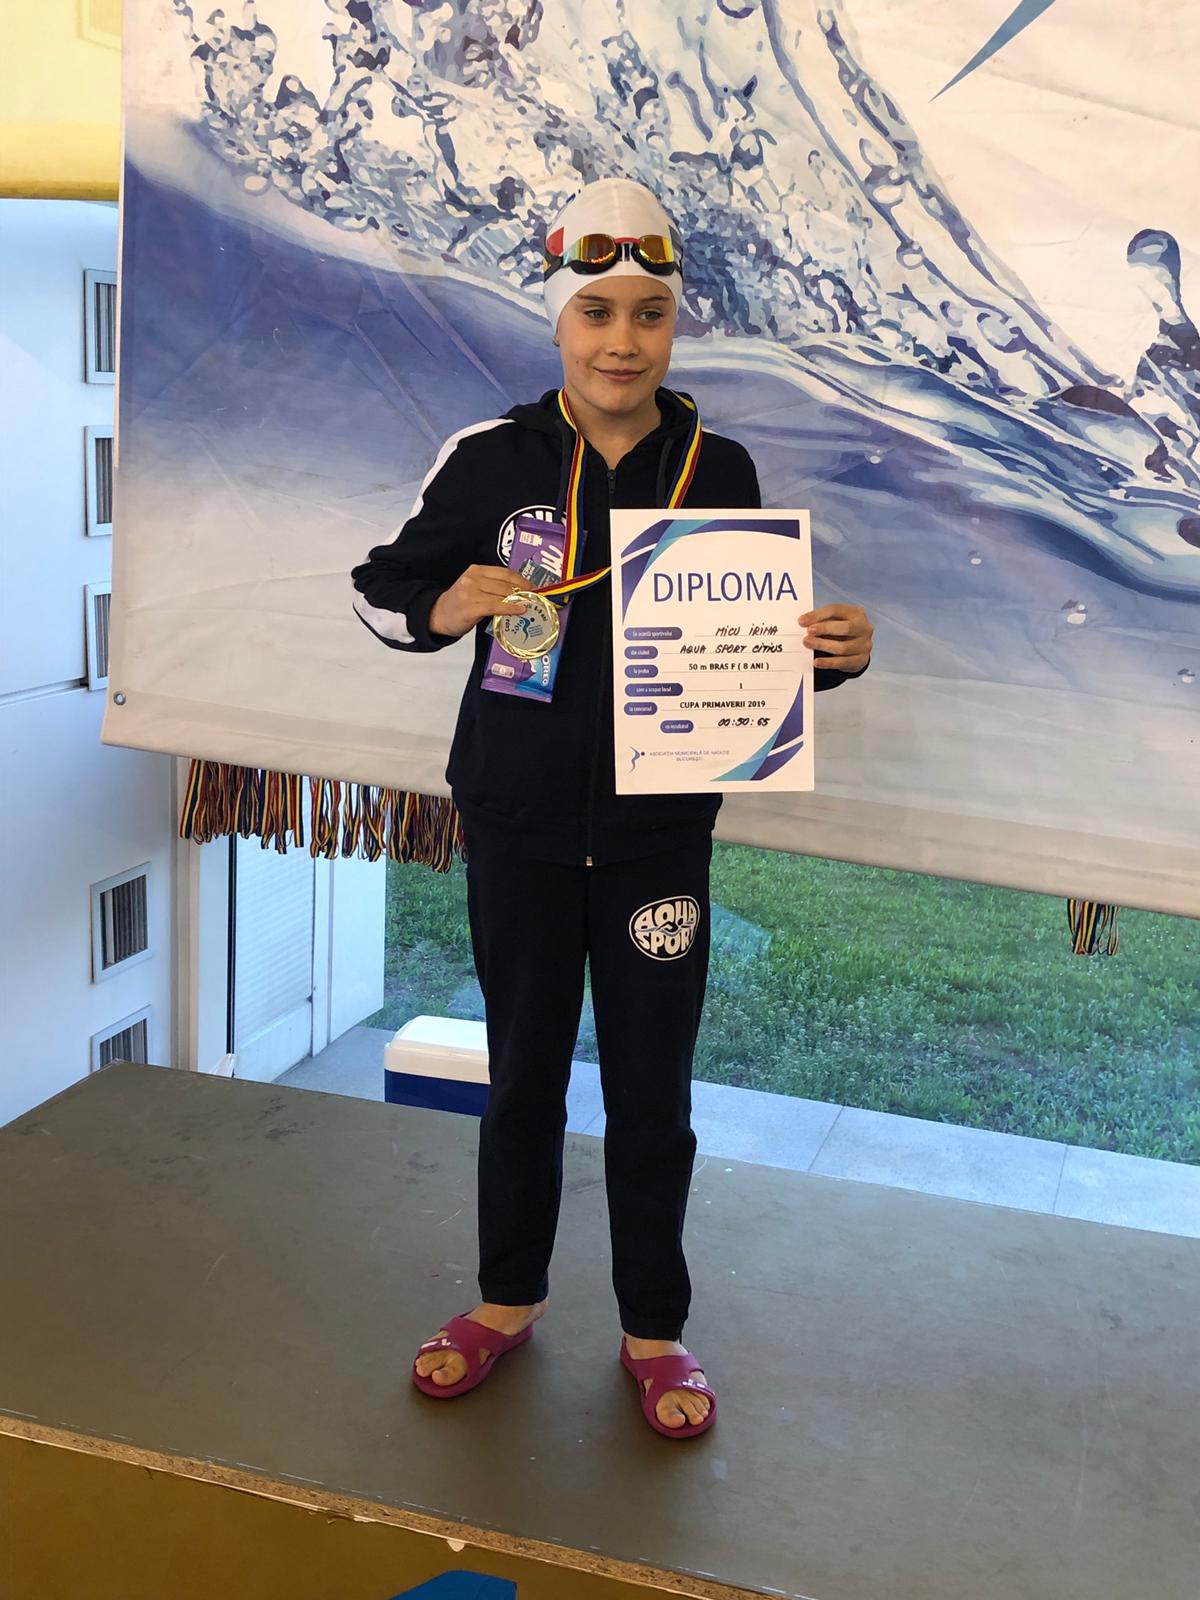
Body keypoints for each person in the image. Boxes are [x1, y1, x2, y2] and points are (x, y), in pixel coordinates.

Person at [351, 178, 874, 1439]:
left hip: (657, 842)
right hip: (518, 829)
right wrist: (445, 606)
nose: (623, 341)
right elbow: (377, 590)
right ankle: (506, 1299)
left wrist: (832, 655)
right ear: (558, 320)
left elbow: (746, 658)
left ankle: (654, 1328)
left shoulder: (718, 468)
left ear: (676, 326)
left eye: (650, 313)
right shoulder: (490, 460)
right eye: (597, 312)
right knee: (523, 1076)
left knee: (653, 1090)